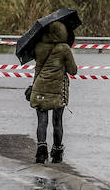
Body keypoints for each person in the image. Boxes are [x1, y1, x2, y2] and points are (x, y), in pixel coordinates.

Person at [30, 21, 77, 163]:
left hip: (40, 87)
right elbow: (73, 70)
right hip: (57, 90)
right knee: (57, 121)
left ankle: (41, 151)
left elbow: (38, 69)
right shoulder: (65, 49)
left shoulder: (38, 47)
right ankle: (57, 152)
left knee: (41, 121)